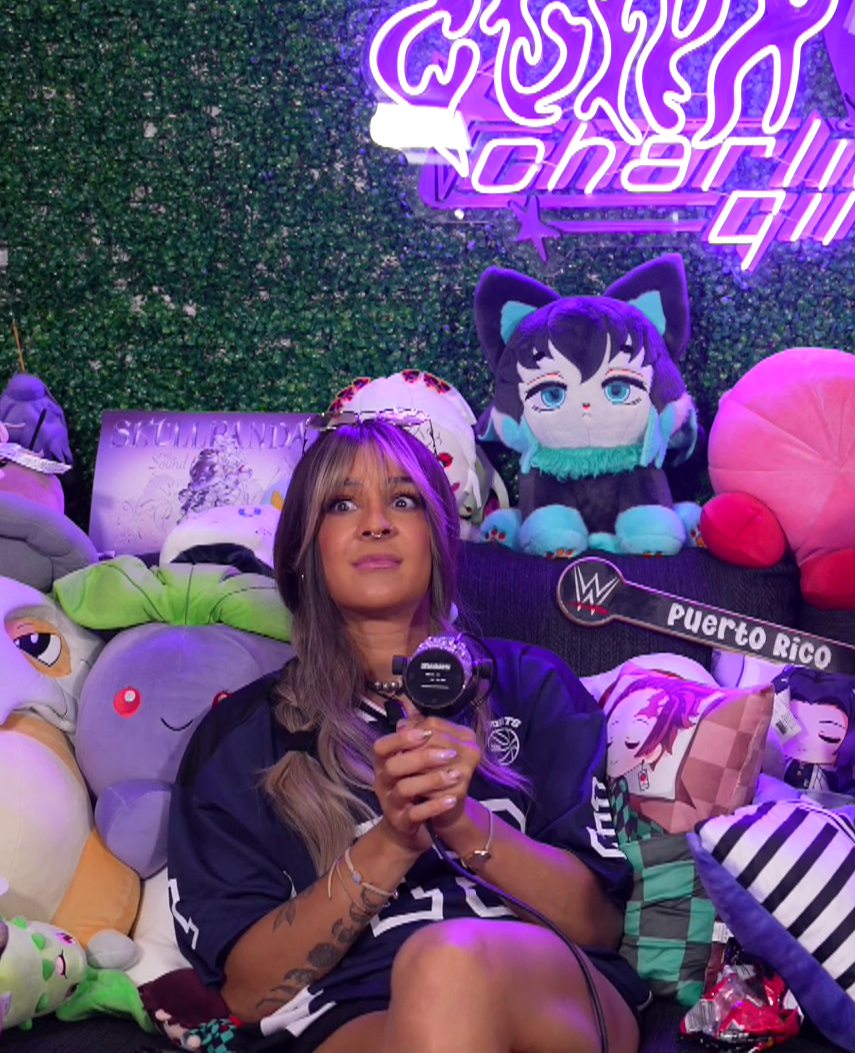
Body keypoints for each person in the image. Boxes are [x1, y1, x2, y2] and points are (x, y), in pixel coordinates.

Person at [167, 414, 646, 1053]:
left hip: (546, 992)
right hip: (350, 1016)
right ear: (303, 550)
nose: (376, 523)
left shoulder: (531, 686)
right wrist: (393, 840)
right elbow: (247, 993)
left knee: (445, 965)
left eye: (403, 500)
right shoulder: (240, 739)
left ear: (439, 538)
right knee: (434, 987)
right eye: (342, 504)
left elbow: (598, 925)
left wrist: (460, 820)